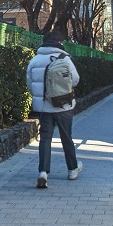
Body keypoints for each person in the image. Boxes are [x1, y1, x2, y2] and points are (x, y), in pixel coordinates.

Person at [26, 30, 82, 189]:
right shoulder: (65, 59)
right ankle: (72, 169)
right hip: (63, 105)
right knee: (66, 138)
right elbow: (76, 80)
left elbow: (30, 84)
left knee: (45, 139)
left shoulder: (35, 60)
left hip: (44, 107)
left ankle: (43, 172)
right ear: (59, 43)